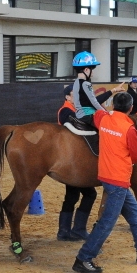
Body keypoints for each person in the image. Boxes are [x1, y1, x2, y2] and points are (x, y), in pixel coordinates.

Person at [73, 91, 137, 273]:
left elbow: (96, 113)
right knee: (107, 222)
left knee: (136, 214)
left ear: (114, 106)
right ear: (130, 109)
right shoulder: (129, 129)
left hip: (106, 175)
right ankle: (83, 258)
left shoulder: (104, 118)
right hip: (119, 178)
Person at [56, 86, 96, 241]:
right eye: (74, 95)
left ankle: (64, 231)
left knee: (71, 196)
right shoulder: (66, 111)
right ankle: (77, 229)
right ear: (67, 97)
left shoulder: (71, 109)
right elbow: (79, 125)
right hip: (72, 159)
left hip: (74, 158)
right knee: (89, 193)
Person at [70, 51, 123, 121]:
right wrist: (106, 113)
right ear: (86, 70)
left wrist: (114, 90)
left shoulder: (76, 82)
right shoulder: (86, 84)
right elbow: (94, 102)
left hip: (79, 115)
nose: (93, 72)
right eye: (92, 69)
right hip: (87, 115)